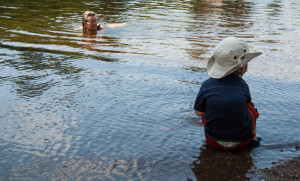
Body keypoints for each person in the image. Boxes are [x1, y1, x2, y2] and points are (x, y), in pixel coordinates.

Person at [194, 37, 262, 150]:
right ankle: (254, 140)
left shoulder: (206, 85)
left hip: (213, 140)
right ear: (240, 68)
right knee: (250, 107)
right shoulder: (243, 85)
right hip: (242, 142)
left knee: (207, 108)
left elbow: (198, 112)